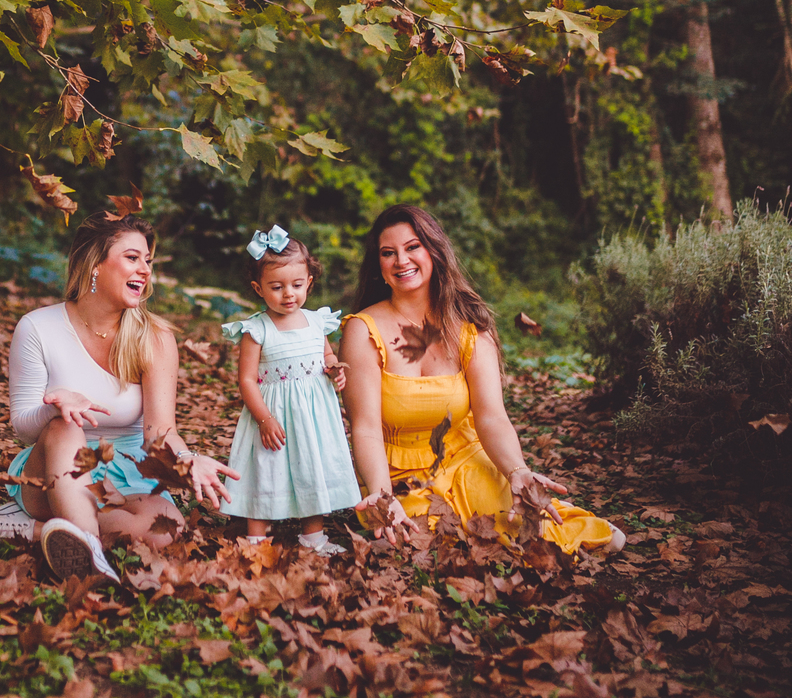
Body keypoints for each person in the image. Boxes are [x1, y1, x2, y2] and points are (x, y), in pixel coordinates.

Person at [0, 209, 237, 581]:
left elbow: (159, 431)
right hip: (52, 470)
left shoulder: (154, 338)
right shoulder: (38, 327)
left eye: (148, 261)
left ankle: (29, 530)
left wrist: (188, 458)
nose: (145, 269)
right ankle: (90, 553)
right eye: (132, 257)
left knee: (169, 527)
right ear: (95, 265)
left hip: (120, 478)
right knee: (65, 428)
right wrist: (55, 408)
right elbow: (24, 429)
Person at [340, 204, 625, 554]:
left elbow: (491, 416)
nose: (402, 260)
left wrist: (516, 469)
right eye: (389, 253)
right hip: (396, 476)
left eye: (413, 247)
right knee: (424, 548)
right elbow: (365, 427)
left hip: (464, 458)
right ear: (379, 267)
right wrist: (382, 498)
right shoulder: (362, 330)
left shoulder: (469, 327)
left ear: (434, 251)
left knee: (530, 537)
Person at [222, 224, 361, 555]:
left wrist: (334, 370)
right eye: (277, 287)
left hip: (313, 415)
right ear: (258, 288)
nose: (289, 294)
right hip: (274, 414)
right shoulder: (256, 329)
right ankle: (257, 539)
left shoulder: (317, 322)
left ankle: (312, 535)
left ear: (309, 283)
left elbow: (326, 355)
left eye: (297, 285)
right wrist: (264, 418)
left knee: (312, 464)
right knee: (265, 470)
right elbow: (246, 379)